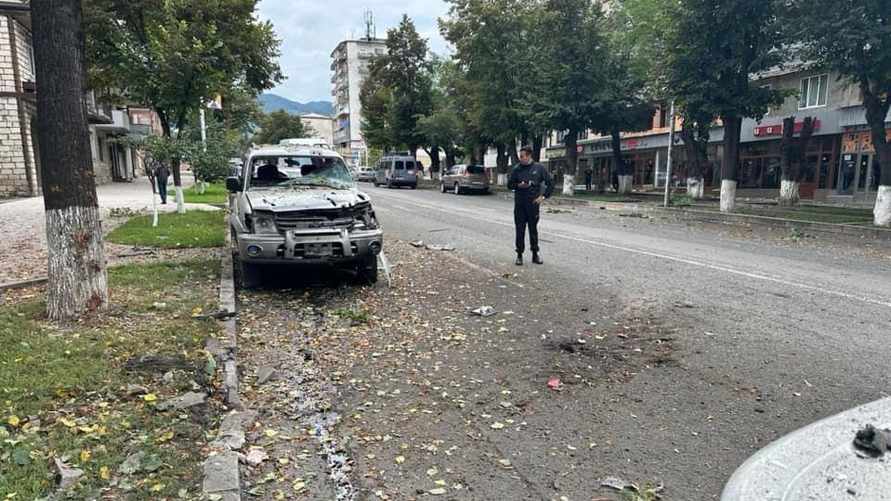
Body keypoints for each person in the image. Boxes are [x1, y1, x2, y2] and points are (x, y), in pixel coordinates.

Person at [508, 145, 553, 266]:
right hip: (520, 205)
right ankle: (519, 255)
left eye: (522, 156)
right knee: (520, 230)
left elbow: (550, 183)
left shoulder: (539, 168)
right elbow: (510, 184)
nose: (520, 158)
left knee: (533, 230)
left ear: (529, 156)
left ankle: (535, 254)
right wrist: (518, 185)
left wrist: (543, 197)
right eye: (520, 156)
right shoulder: (517, 169)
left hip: (533, 205)